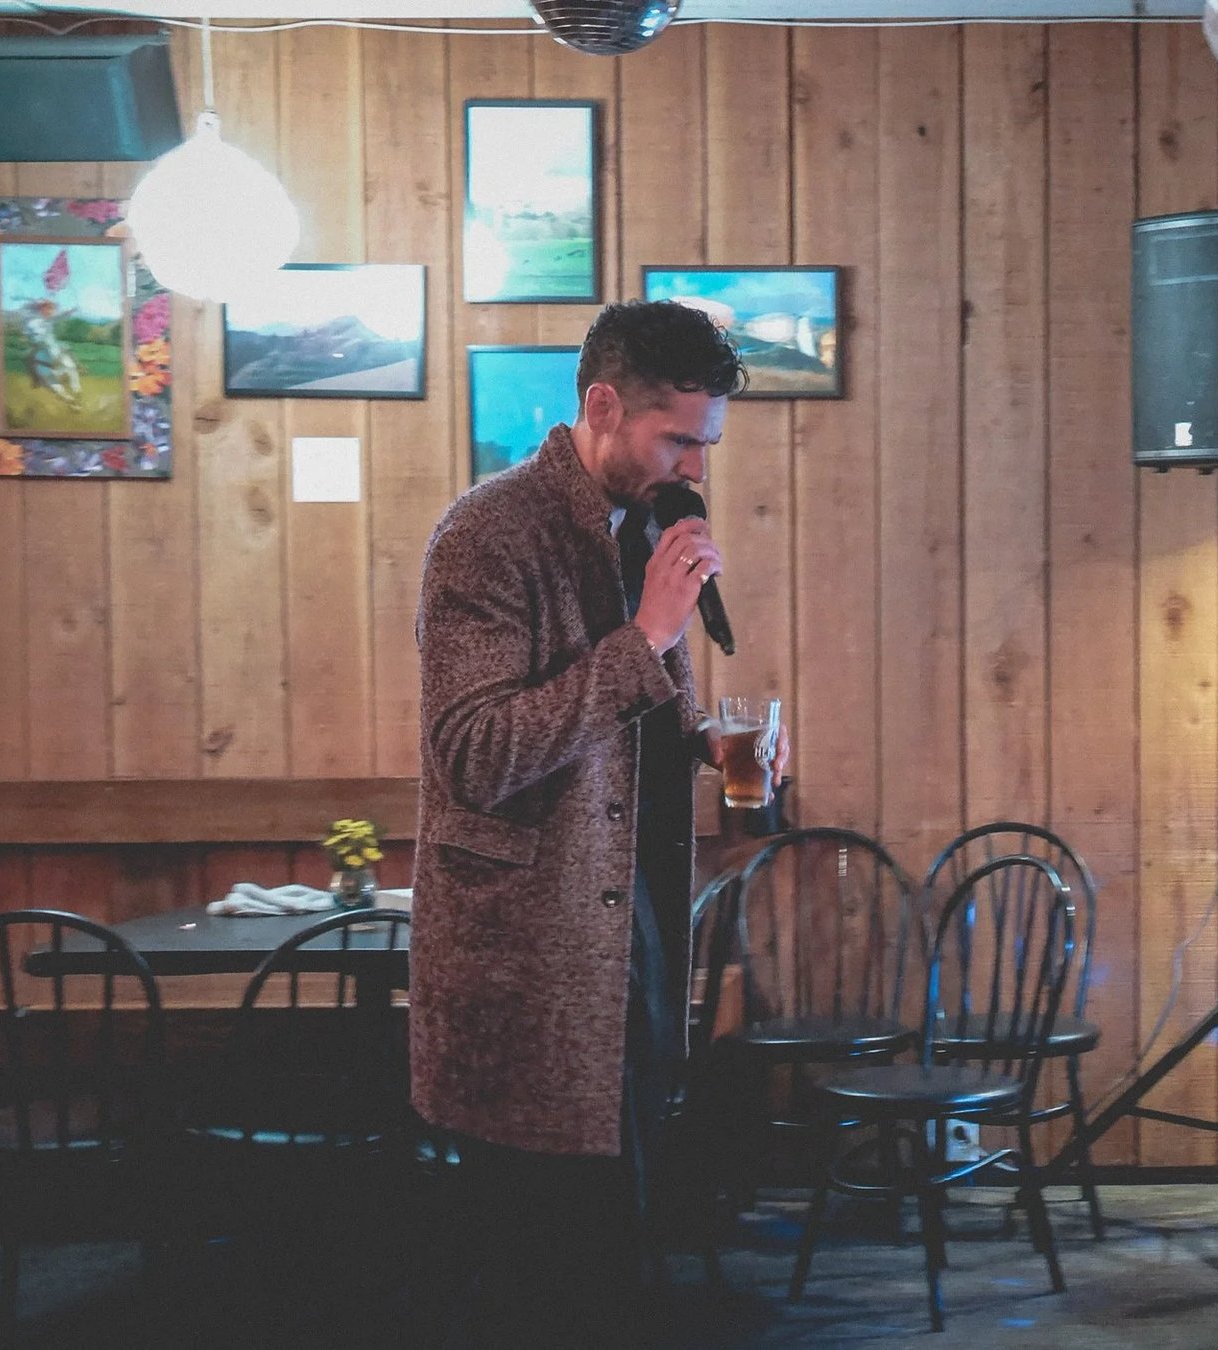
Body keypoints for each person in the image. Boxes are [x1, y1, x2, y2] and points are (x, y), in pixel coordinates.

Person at [411, 300, 783, 1344]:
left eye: (706, 445)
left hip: (633, 948)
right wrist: (649, 633)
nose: (695, 469)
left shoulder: (641, 527)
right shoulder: (488, 534)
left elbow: (634, 723)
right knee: (549, 1275)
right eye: (678, 440)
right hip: (527, 974)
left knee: (618, 1256)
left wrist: (710, 745)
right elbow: (475, 755)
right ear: (603, 405)